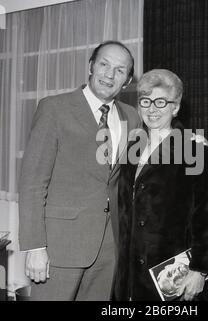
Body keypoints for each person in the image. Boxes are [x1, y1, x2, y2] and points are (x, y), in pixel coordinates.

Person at [18, 40, 141, 301]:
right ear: (91, 66)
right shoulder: (54, 108)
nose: (109, 74)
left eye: (120, 70)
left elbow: (147, 165)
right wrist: (35, 246)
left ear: (128, 80)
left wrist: (191, 144)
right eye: (104, 64)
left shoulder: (132, 117)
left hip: (109, 248)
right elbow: (32, 182)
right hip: (59, 247)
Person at [113, 69, 208, 301]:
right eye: (146, 101)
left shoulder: (193, 150)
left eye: (161, 102)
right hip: (130, 276)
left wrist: (200, 271)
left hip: (173, 275)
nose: (152, 109)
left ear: (175, 107)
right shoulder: (132, 147)